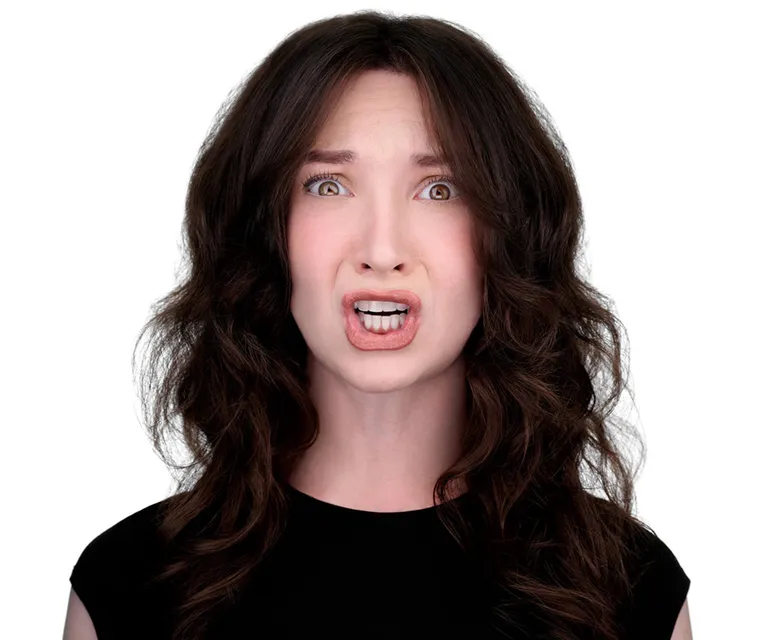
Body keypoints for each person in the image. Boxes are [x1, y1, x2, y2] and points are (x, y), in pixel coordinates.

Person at [63, 10, 692, 640]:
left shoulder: (626, 589)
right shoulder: (133, 585)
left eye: (440, 189)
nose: (383, 250)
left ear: (511, 235)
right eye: (328, 186)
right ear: (263, 231)